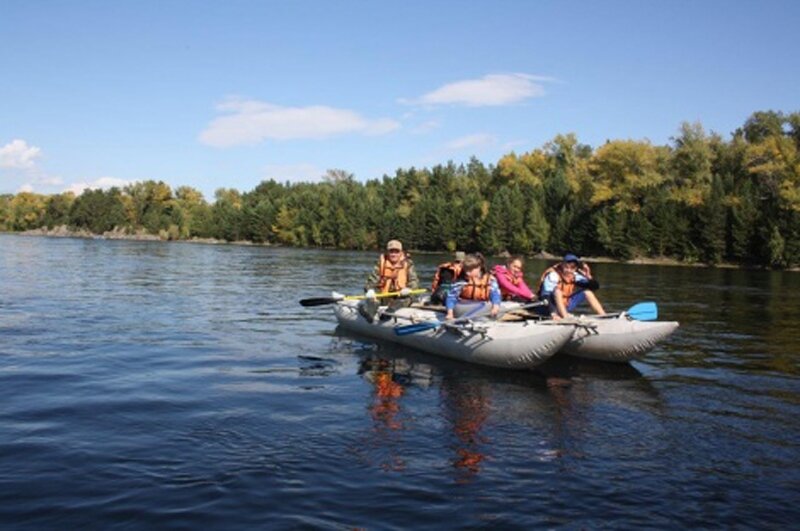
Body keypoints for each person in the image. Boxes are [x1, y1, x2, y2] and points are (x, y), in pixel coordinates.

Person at [361, 240, 420, 321]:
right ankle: (369, 314)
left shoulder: (408, 264)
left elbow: (414, 280)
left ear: (401, 252)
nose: (393, 254)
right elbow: (372, 280)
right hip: (384, 294)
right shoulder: (381, 263)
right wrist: (370, 290)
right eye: (391, 251)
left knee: (409, 298)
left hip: (401, 295)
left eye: (396, 252)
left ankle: (390, 312)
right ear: (387, 252)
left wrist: (409, 288)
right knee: (372, 297)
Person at [537, 253, 605, 319]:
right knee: (558, 291)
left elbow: (595, 287)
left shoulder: (574, 276)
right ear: (562, 265)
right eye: (566, 267)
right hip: (547, 308)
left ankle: (603, 315)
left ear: (575, 268)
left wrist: (589, 277)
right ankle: (565, 318)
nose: (569, 270)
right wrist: (553, 313)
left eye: (572, 267)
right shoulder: (553, 275)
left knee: (587, 292)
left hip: (564, 305)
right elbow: (545, 296)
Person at [445, 253, 502, 320]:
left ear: (479, 267)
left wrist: (495, 306)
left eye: (471, 270)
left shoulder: (490, 279)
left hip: (482, 305)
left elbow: (495, 294)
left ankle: (483, 317)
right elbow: (451, 298)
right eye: (466, 270)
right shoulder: (461, 281)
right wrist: (450, 313)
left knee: (497, 307)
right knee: (484, 307)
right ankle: (481, 319)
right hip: (464, 307)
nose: (467, 273)